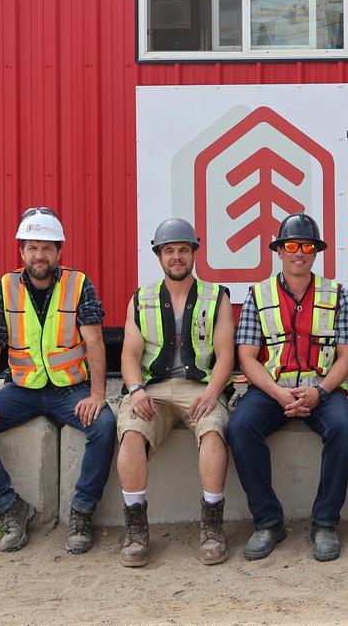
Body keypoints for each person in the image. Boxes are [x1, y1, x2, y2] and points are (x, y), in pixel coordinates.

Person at [0, 207, 115, 553]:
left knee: (104, 425)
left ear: (59, 252)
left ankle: (82, 512)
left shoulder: (79, 284)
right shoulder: (6, 286)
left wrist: (97, 394)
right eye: (32, 247)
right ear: (21, 251)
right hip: (23, 390)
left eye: (46, 248)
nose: (39, 255)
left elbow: (94, 342)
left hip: (70, 390)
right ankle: (10, 507)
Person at [226, 213, 348, 562]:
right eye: (291, 246)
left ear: (316, 253)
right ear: (279, 251)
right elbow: (247, 357)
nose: (299, 253)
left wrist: (320, 392)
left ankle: (325, 523)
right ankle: (268, 522)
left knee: (346, 429)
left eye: (307, 247)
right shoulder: (258, 294)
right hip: (272, 390)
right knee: (239, 427)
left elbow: (347, 357)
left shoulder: (338, 294)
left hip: (322, 390)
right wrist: (278, 393)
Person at [116, 218, 235, 567]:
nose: (177, 257)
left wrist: (213, 393)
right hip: (152, 388)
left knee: (213, 432)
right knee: (132, 434)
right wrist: (136, 390)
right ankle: (136, 528)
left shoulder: (217, 297)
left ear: (194, 253)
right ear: (159, 256)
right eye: (169, 251)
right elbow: (129, 354)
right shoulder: (141, 299)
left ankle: (212, 525)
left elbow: (226, 355)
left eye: (183, 249)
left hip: (201, 387)